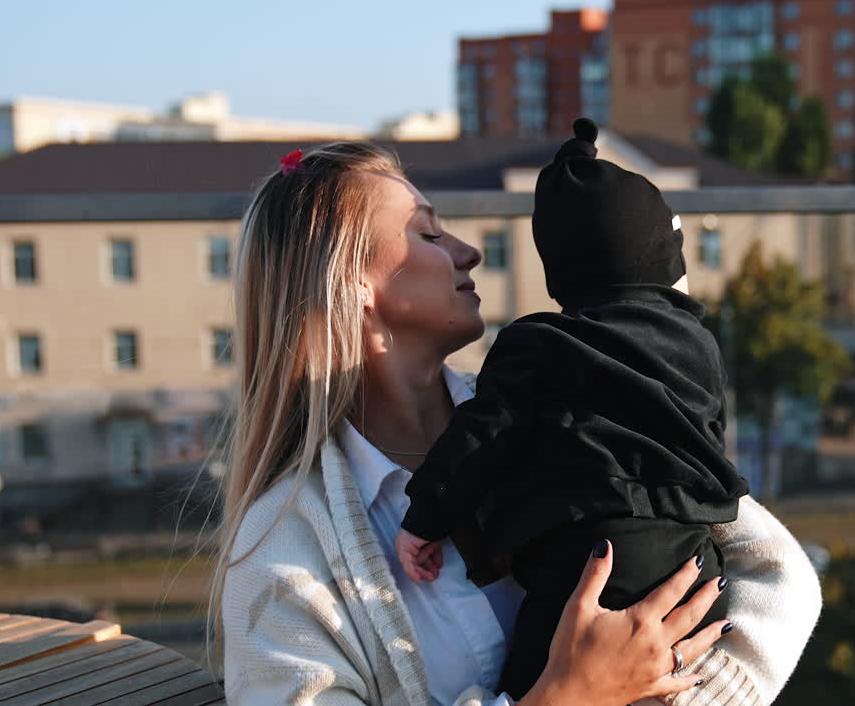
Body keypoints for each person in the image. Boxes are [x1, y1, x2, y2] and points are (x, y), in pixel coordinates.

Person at [210, 142, 822, 705]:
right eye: (428, 233)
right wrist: (568, 697)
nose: (468, 251)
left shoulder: (562, 403)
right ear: (353, 281)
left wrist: (677, 690)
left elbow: (777, 572)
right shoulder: (279, 553)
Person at [394, 119, 747, 698]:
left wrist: (425, 519)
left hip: (591, 558)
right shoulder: (699, 342)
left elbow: (481, 440)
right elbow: (708, 441)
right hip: (693, 556)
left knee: (540, 674)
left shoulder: (540, 343)